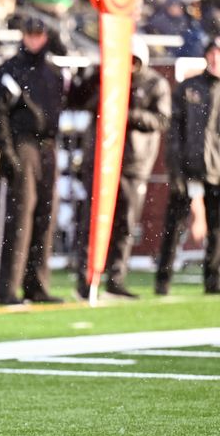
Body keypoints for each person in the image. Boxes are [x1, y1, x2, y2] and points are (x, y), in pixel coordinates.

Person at [72, 37, 171, 300]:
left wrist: (125, 114)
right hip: (101, 160)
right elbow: (79, 101)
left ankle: (116, 279)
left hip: (133, 162)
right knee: (92, 221)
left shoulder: (154, 83)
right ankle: (86, 278)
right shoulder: (104, 78)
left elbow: (161, 119)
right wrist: (95, 78)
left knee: (125, 223)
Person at [0, 16, 64, 305]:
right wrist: (8, 153)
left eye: (39, 34)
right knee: (17, 218)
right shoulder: (11, 69)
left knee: (45, 216)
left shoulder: (54, 72)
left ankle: (36, 284)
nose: (34, 39)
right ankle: (6, 288)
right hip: (23, 144)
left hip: (47, 147)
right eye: (29, 34)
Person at [155, 36, 220, 295]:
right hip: (187, 168)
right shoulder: (188, 88)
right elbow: (174, 133)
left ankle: (213, 282)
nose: (216, 58)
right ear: (206, 56)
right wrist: (176, 169)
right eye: (213, 53)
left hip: (216, 170)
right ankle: (163, 280)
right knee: (173, 226)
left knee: (217, 230)